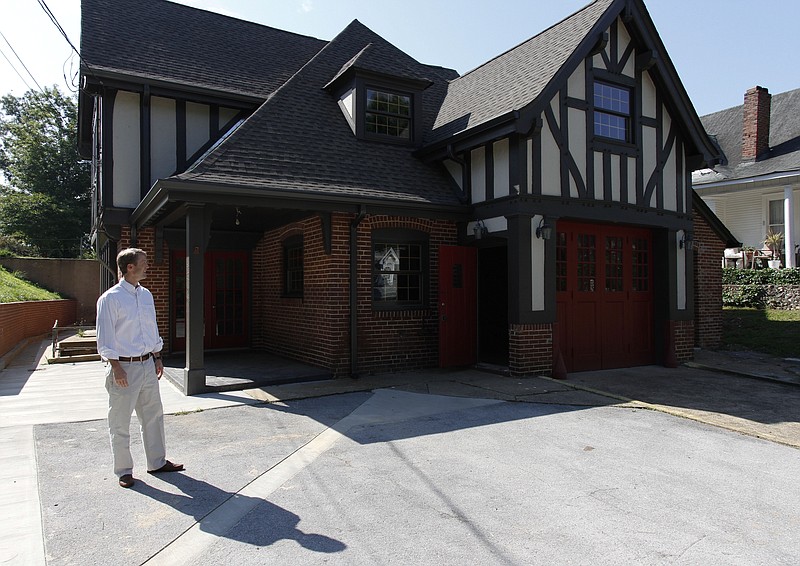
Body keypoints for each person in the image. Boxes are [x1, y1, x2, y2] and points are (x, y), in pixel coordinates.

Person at [96, 247, 183, 488]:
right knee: (120, 421)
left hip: (147, 364)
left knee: (153, 416)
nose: (148, 266)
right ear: (129, 267)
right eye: (143, 262)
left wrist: (157, 355)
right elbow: (105, 339)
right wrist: (116, 367)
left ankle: (157, 462)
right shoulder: (110, 299)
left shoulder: (146, 295)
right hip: (124, 367)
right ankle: (124, 471)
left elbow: (151, 329)